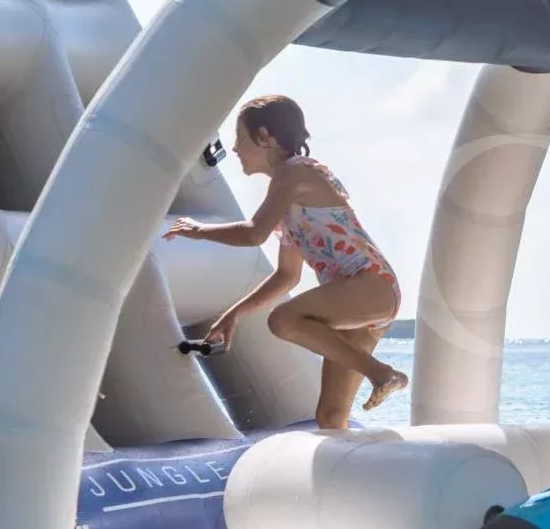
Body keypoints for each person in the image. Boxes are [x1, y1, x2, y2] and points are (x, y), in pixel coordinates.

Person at [164, 94, 406, 428]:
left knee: (284, 320)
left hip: (370, 285)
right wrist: (233, 315)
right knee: (330, 416)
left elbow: (254, 233)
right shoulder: (287, 199)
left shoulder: (294, 174)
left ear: (265, 137)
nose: (234, 148)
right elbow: (287, 275)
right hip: (360, 298)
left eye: (240, 137)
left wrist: (200, 231)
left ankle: (382, 373)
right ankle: (377, 384)